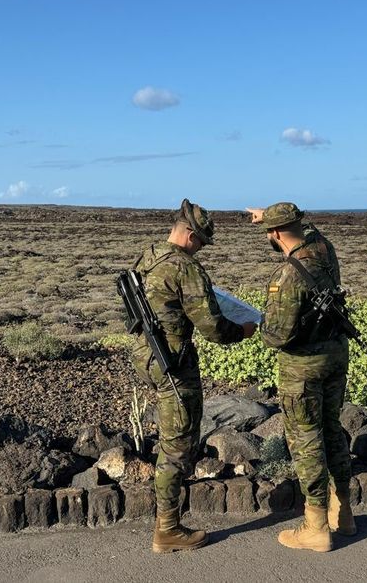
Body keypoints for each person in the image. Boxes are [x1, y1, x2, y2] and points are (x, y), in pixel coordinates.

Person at [131, 199, 256, 553]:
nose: (200, 247)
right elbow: (214, 327)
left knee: (171, 435)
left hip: (146, 356)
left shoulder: (148, 255)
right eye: (200, 241)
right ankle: (167, 530)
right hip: (173, 362)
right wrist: (244, 330)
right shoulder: (186, 268)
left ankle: (167, 523)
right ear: (188, 234)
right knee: (178, 443)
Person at [249, 202, 353, 553]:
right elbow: (308, 233)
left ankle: (316, 526)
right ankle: (345, 511)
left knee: (306, 439)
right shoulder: (325, 249)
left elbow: (276, 336)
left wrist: (258, 325)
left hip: (303, 367)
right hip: (336, 353)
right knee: (332, 427)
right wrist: (273, 217)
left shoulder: (286, 276)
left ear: (275, 234)